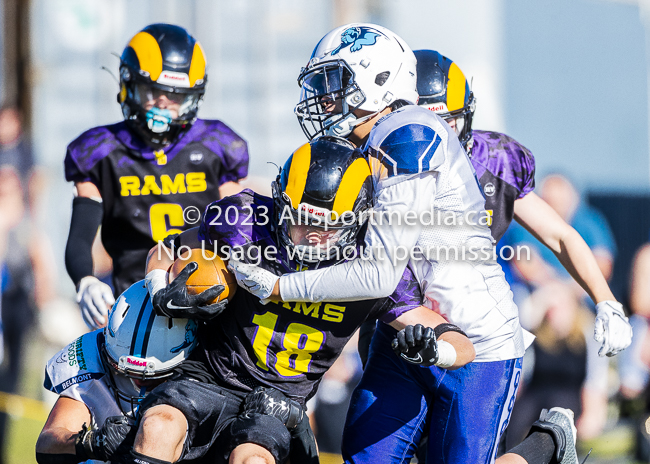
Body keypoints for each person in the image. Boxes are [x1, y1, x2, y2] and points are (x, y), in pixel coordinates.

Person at [129, 136, 476, 464]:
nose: (311, 236)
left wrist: (436, 349)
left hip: (276, 402)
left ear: (357, 223)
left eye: (327, 228)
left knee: (252, 459)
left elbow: (461, 345)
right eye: (302, 220)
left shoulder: (372, 268)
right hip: (208, 375)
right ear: (281, 204)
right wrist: (160, 286)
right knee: (159, 425)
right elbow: (165, 249)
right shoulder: (245, 220)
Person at [64, 23, 249, 330]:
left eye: (174, 96)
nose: (163, 104)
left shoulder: (217, 145)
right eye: (153, 92)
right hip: (134, 299)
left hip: (202, 292)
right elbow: (81, 233)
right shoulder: (99, 151)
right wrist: (85, 280)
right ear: (129, 85)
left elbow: (239, 224)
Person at [35, 281, 198, 464]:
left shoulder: (205, 368)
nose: (139, 380)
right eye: (126, 371)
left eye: (152, 376)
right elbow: (47, 443)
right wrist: (92, 443)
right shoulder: (93, 358)